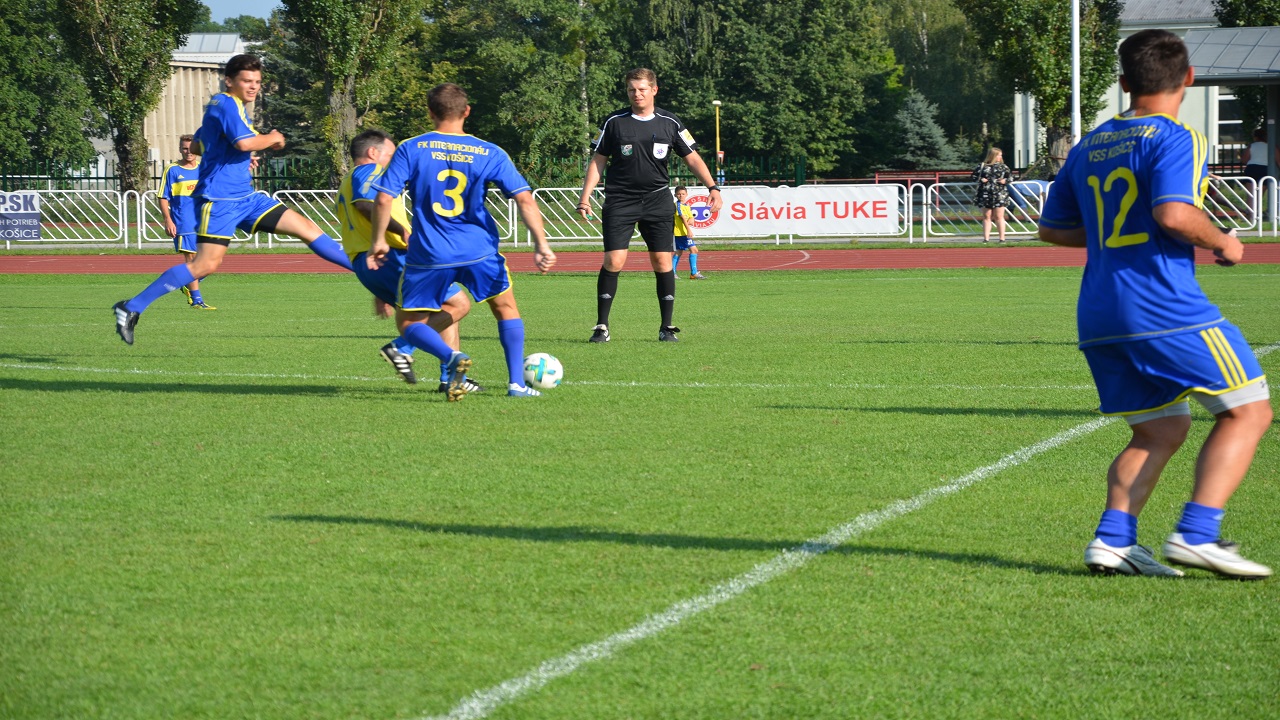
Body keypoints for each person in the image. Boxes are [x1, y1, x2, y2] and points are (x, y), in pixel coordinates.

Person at [1038, 29, 1273, 579]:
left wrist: (1116, 235)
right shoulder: (1177, 136)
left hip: (1100, 311)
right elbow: (1174, 214)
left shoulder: (1090, 144)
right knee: (1249, 410)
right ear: (1188, 78)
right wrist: (1223, 241)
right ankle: (1198, 533)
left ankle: (1113, 541)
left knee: (1159, 430)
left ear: (1124, 83)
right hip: (1163, 305)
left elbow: (1052, 229)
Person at [112, 53, 353, 345]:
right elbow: (244, 142)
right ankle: (131, 307)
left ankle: (368, 272)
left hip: (246, 198)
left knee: (307, 229)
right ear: (229, 81)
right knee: (203, 266)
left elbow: (199, 145)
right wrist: (274, 138)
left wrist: (234, 158)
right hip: (220, 201)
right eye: (246, 80)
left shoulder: (222, 106)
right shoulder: (227, 103)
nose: (253, 87)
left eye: (257, 82)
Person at [367, 82, 555, 400]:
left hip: (430, 253)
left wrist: (378, 242)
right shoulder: (489, 151)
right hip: (478, 249)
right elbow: (524, 198)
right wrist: (541, 244)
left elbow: (384, 198)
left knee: (410, 323)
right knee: (506, 308)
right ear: (467, 111)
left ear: (430, 112)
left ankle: (451, 356)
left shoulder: (411, 148)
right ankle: (516, 385)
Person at [576, 68, 723, 343]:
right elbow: (598, 160)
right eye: (632, 89)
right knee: (614, 260)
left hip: (657, 200)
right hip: (620, 199)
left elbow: (692, 157)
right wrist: (585, 197)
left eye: (642, 89)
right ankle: (602, 326)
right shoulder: (614, 122)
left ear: (654, 90)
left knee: (662, 261)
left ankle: (666, 327)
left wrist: (713, 188)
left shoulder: (670, 122)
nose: (637, 94)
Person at [337, 128, 483, 393]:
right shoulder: (369, 171)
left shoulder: (349, 179)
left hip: (375, 263)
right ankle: (401, 348)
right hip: (393, 258)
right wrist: (402, 231)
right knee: (458, 303)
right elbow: (367, 205)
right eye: (391, 154)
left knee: (443, 309)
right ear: (373, 153)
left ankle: (451, 379)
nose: (395, 160)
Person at [158, 135, 214, 309]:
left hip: (204, 222)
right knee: (192, 260)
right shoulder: (172, 170)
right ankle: (196, 300)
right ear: (180, 149)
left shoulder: (204, 168)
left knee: (212, 262)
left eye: (191, 148)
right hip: (184, 222)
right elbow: (163, 197)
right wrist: (168, 220)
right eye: (184, 148)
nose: (188, 152)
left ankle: (186, 282)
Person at [972, 147, 1012, 243]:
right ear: (992, 156)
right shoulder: (982, 166)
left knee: (999, 216)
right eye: (998, 155)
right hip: (985, 193)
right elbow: (974, 176)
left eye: (1000, 155)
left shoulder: (1003, 167)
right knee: (987, 216)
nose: (1000, 157)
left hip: (999, 194)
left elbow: (1010, 177)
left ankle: (1002, 238)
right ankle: (986, 239)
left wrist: (1005, 180)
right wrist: (981, 179)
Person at [1242, 127, 1278, 220]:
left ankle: (1250, 216)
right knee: (1260, 194)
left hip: (1252, 168)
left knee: (1250, 194)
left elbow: (1244, 160)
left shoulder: (1251, 146)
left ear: (1255, 137)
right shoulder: (1271, 146)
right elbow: (1278, 160)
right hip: (1264, 169)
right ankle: (1257, 213)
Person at [670, 186, 704, 280]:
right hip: (680, 233)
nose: (681, 196)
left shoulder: (687, 206)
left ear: (686, 194)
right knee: (693, 250)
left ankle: (673, 272)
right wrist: (689, 230)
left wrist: (691, 219)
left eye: (683, 194)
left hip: (684, 232)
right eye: (679, 194)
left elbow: (691, 217)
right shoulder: (677, 205)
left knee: (679, 252)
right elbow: (683, 218)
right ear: (675, 195)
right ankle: (693, 273)